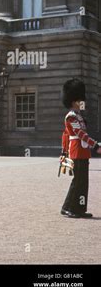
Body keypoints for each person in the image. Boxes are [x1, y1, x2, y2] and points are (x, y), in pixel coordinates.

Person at [60, 79, 101, 218]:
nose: (82, 102)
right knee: (77, 181)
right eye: (79, 100)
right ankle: (67, 207)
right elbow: (80, 134)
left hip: (83, 152)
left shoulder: (79, 116)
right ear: (73, 101)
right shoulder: (71, 117)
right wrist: (95, 146)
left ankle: (79, 208)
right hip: (76, 151)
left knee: (84, 182)